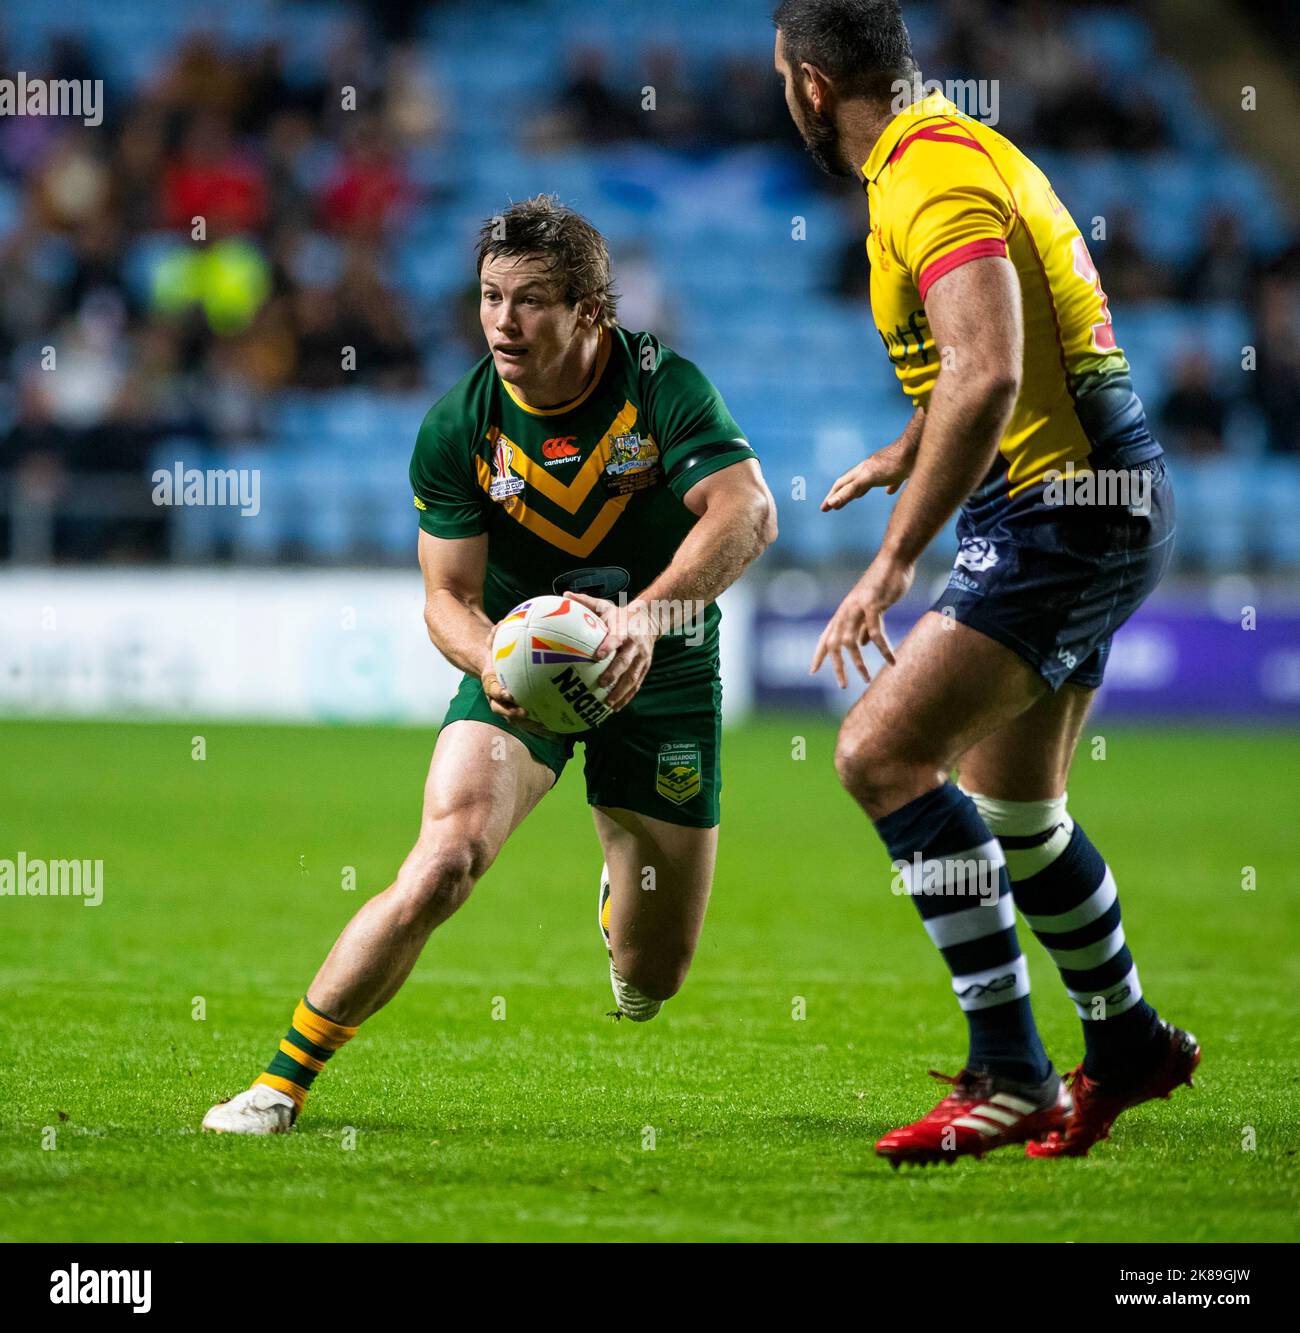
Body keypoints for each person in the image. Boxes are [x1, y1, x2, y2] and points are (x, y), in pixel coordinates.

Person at [203, 196, 776, 1133]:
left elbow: (748, 512)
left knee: (652, 975)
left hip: (662, 661)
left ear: (593, 310)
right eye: (490, 297)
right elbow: (445, 597)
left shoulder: (663, 387)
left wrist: (642, 621)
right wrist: (493, 665)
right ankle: (278, 1083)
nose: (504, 323)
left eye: (534, 301)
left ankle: (620, 905)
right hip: (523, 665)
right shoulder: (457, 426)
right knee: (443, 860)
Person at [772, 0, 1198, 1164]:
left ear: (810, 85)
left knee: (878, 752)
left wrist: (893, 559)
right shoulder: (958, 151)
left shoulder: (928, 177)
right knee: (1014, 806)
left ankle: (1009, 1069)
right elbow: (998, 357)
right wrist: (908, 450)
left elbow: (990, 370)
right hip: (1087, 493)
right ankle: (1128, 1047)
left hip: (1067, 504)